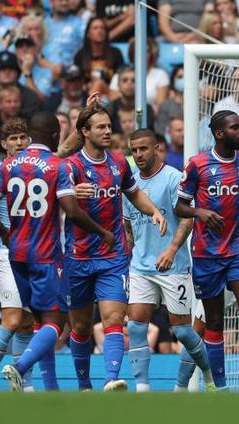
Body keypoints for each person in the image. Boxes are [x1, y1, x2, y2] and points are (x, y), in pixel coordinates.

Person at [0, 111, 115, 392]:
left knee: (39, 322)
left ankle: (51, 389)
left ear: (30, 136)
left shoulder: (7, 165)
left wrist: (4, 232)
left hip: (16, 254)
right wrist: (102, 232)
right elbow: (72, 212)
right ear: (54, 135)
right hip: (45, 255)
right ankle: (19, 367)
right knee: (55, 322)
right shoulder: (57, 166)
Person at [64, 104, 165, 392]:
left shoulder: (119, 163)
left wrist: (154, 211)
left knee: (114, 319)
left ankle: (111, 379)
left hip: (113, 255)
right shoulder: (71, 166)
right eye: (101, 127)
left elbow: (134, 194)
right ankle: (84, 384)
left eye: (109, 126)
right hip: (78, 256)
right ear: (85, 132)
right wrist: (71, 193)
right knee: (81, 327)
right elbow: (58, 202)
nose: (108, 131)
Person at [175, 110, 239, 391]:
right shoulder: (197, 164)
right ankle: (220, 388)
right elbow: (180, 206)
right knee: (214, 322)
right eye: (235, 127)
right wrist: (200, 212)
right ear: (219, 134)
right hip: (206, 255)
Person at [111, 129, 213, 392]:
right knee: (136, 326)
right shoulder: (131, 184)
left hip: (174, 266)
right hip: (141, 267)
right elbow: (129, 226)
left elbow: (187, 218)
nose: (138, 154)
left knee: (182, 332)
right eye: (134, 150)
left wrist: (172, 249)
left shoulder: (173, 178)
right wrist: (127, 255)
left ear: (156, 148)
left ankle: (207, 372)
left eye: (143, 149)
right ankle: (142, 389)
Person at [0, 119, 50, 392]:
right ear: (3, 144)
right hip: (6, 252)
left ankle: (23, 383)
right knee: (12, 319)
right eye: (13, 139)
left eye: (23, 137)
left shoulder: (38, 170)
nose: (19, 143)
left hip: (35, 253)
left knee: (27, 323)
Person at [73, 17, 124, 84]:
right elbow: (77, 81)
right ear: (88, 34)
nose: (99, 31)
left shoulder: (115, 53)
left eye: (102, 28)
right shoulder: (80, 55)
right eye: (95, 28)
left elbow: (120, 78)